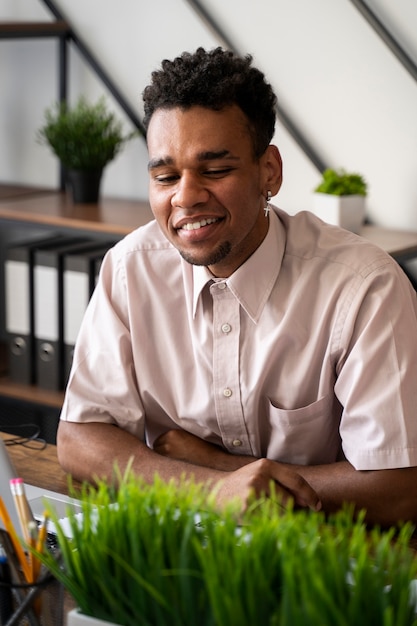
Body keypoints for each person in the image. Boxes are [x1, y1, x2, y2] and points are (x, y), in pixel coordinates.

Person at [57, 47, 417, 526]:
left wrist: (218, 466)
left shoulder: (364, 287)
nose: (184, 197)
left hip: (322, 561)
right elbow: (80, 440)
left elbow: (397, 488)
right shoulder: (129, 268)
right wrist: (208, 488)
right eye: (165, 175)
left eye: (215, 170)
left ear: (269, 171)